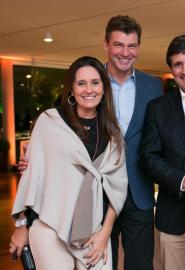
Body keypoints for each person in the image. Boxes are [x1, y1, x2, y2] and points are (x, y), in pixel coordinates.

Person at [18, 15, 163, 270]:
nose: (125, 52)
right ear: (106, 44)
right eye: (118, 44)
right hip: (87, 199)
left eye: (131, 46)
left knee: (140, 264)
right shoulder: (87, 80)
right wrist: (34, 162)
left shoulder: (154, 86)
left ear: (139, 47)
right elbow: (57, 141)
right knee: (96, 259)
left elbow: (157, 137)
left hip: (137, 190)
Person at [9, 56, 128, 270]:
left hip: (93, 231)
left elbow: (117, 190)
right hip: (50, 225)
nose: (88, 90)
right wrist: (21, 225)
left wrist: (104, 234)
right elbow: (31, 178)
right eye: (81, 83)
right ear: (71, 90)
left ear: (104, 88)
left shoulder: (113, 133)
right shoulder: (49, 122)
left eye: (95, 82)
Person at [140, 34, 185, 270]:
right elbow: (148, 158)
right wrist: (182, 180)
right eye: (177, 64)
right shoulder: (157, 107)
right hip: (173, 217)